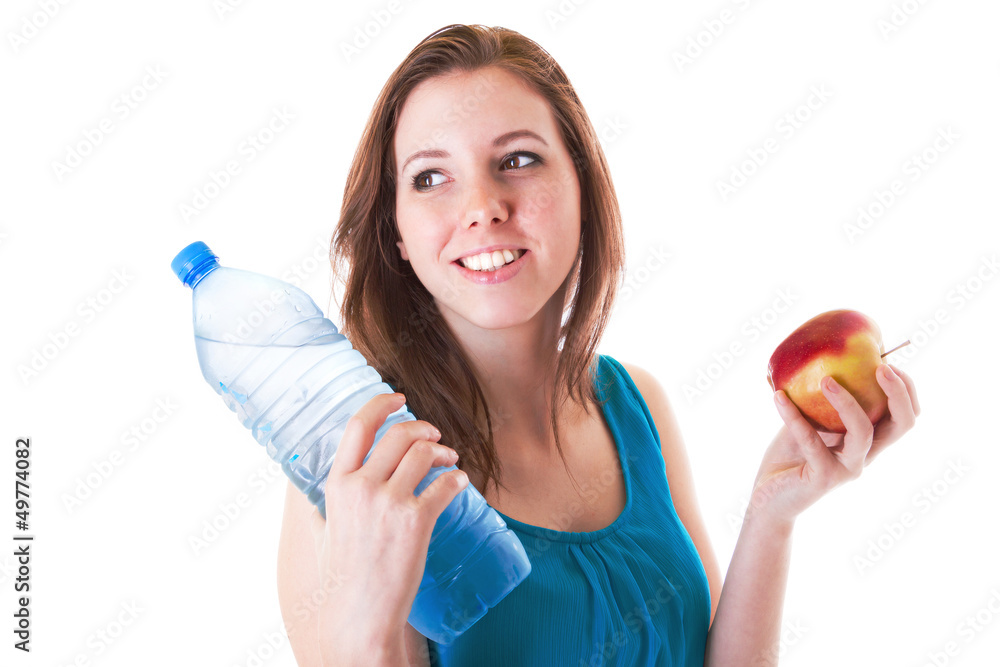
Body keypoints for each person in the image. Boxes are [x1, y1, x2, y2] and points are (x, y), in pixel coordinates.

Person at [275, 24, 920, 666]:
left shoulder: (636, 404)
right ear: (395, 232)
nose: (482, 206)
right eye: (430, 177)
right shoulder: (360, 465)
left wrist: (773, 512)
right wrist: (360, 622)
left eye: (518, 160)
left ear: (583, 187)